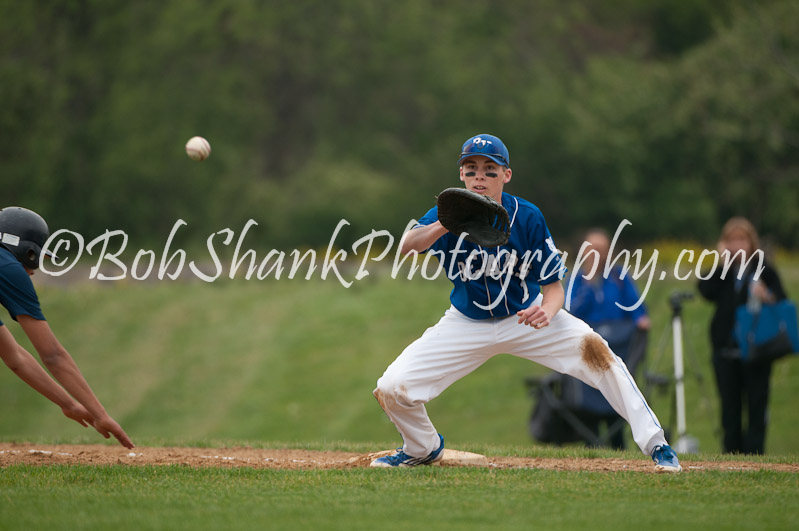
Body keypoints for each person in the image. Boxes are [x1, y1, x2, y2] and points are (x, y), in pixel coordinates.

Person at [370, 134, 680, 471]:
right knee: (391, 387)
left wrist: (546, 312)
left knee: (599, 354)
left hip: (524, 316)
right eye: (471, 168)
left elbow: (555, 288)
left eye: (490, 170)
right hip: (465, 322)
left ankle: (657, 444)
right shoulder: (445, 214)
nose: (480, 177)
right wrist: (446, 224)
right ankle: (422, 448)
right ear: (461, 174)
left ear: (506, 175)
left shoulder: (527, 217)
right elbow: (408, 246)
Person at [0, 206, 133, 449]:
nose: (32, 271)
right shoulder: (8, 268)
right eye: (36, 259)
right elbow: (52, 355)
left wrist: (68, 404)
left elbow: (14, 356)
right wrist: (101, 414)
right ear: (26, 251)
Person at [698, 217, 786, 454]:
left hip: (758, 350)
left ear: (751, 243)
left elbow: (782, 300)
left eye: (742, 240)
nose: (738, 245)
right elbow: (705, 290)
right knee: (730, 407)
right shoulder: (725, 271)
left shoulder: (764, 269)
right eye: (732, 240)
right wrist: (722, 263)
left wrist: (766, 294)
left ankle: (755, 455)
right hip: (726, 350)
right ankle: (732, 455)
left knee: (757, 404)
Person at [564, 228, 650, 449]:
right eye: (591, 249)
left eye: (601, 250)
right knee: (588, 400)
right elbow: (569, 311)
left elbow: (635, 307)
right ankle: (591, 448)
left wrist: (641, 319)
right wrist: (589, 283)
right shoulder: (576, 279)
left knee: (617, 395)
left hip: (617, 348)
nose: (596, 255)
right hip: (586, 350)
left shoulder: (619, 277)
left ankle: (619, 447)